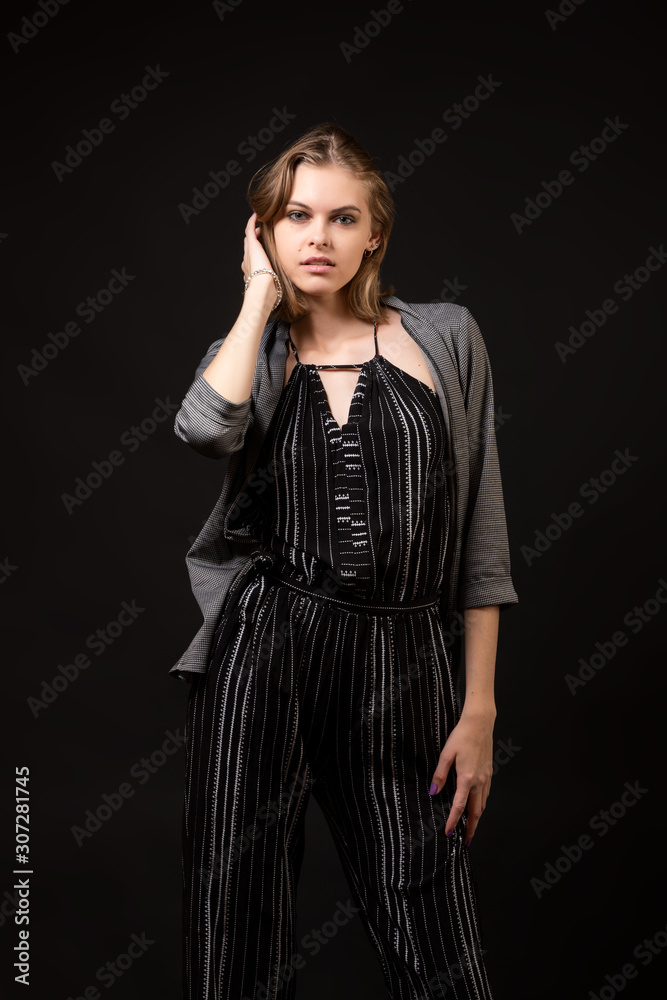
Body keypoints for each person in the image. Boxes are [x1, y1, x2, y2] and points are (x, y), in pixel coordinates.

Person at [173, 121, 519, 1000]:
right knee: (233, 919)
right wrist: (256, 299)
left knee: (436, 942)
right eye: (294, 217)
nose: (317, 238)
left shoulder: (446, 336)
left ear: (375, 235)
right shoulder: (254, 357)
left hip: (405, 663)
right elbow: (206, 429)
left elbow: (482, 537)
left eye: (340, 217)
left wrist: (476, 707)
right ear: (265, 232)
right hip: (268, 651)